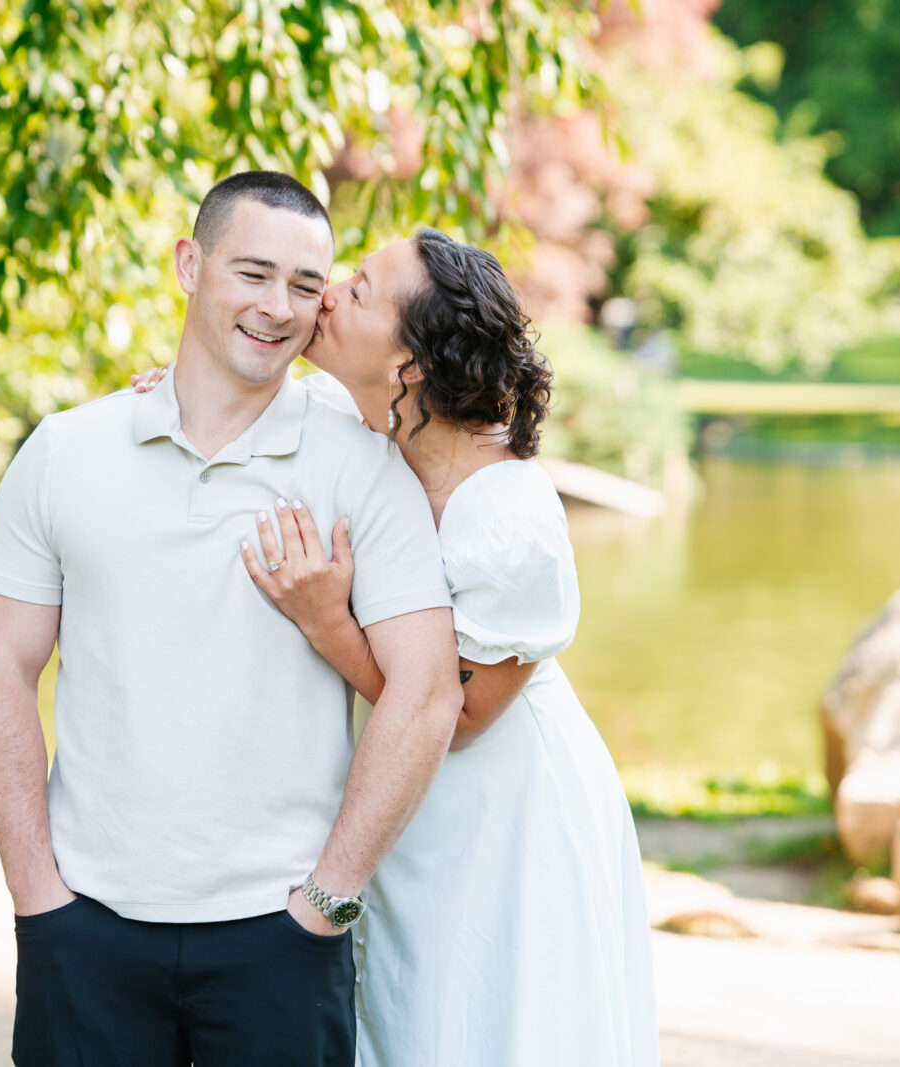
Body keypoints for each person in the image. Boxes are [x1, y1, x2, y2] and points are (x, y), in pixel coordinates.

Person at [0, 172, 463, 1067]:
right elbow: (1, 670)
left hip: (283, 938)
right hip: (85, 921)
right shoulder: (64, 452)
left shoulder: (362, 467)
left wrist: (328, 903)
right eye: (253, 273)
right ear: (189, 264)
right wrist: (36, 893)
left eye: (307, 286)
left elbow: (427, 694)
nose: (278, 307)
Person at [142, 228, 659, 1064]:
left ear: (412, 363)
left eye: (361, 289)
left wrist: (327, 622)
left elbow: (461, 714)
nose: (328, 294)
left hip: (501, 807)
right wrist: (181, 392)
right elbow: (274, 403)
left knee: (479, 1012)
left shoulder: (507, 519)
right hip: (411, 787)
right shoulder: (375, 429)